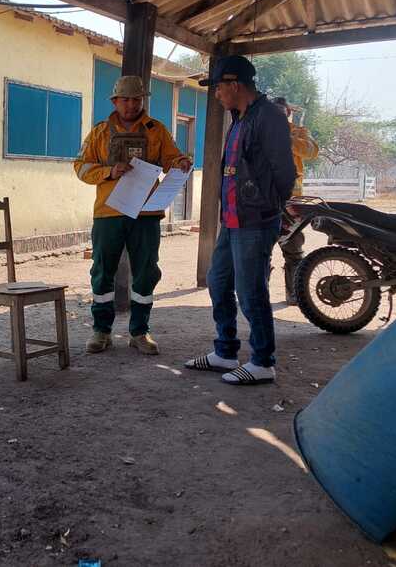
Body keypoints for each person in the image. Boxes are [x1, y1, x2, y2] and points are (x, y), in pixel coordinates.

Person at [184, 56, 296, 385]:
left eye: (219, 87)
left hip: (254, 221)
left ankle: (263, 361)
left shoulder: (269, 117)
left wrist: (270, 208)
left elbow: (284, 173)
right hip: (232, 220)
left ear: (234, 85)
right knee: (218, 282)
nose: (216, 94)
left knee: (250, 292)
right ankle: (226, 351)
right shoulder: (240, 117)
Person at [75, 75, 193, 356]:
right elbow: (80, 166)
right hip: (108, 213)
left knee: (146, 272)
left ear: (143, 101)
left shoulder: (157, 131)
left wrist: (181, 162)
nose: (130, 105)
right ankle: (101, 331)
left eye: (136, 99)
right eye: (125, 99)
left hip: (147, 213)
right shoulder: (100, 132)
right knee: (103, 272)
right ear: (115, 101)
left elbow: (172, 159)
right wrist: (108, 171)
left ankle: (140, 332)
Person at [274, 97, 320, 304]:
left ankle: (293, 294)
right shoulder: (260, 131)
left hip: (292, 202)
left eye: (281, 114)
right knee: (260, 250)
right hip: (264, 200)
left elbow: (311, 151)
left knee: (293, 248)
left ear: (288, 114)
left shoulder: (299, 132)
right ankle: (258, 295)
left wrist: (286, 138)